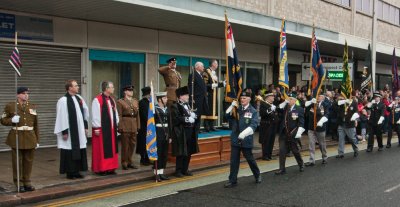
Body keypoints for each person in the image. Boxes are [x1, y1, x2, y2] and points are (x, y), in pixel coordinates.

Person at [1, 87, 39, 192]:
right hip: (16, 136)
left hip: (30, 137)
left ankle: (27, 182)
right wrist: (12, 120)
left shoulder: (32, 106)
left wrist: (37, 140)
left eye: (27, 93)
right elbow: (3, 120)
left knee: (28, 161)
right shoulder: (10, 106)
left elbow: (36, 124)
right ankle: (19, 183)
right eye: (23, 93)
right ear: (18, 95)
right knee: (17, 161)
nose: (26, 95)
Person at [224, 91, 261, 188]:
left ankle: (257, 175)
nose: (242, 99)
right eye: (241, 98)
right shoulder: (237, 109)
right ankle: (232, 180)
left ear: (249, 99)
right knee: (234, 161)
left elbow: (253, 126)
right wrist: (232, 106)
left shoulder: (253, 111)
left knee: (250, 159)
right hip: (236, 139)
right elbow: (227, 116)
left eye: (244, 98)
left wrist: (243, 134)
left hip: (246, 139)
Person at [54, 80, 89, 179]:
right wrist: (64, 131)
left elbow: (84, 113)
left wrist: (85, 126)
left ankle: (77, 171)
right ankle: (70, 172)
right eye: (76, 86)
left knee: (80, 149)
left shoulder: (79, 98)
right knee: (70, 151)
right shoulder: (63, 100)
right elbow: (61, 117)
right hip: (69, 131)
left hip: (79, 130)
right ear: (70, 88)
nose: (78, 87)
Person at [91, 81, 119, 176]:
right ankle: (102, 169)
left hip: (111, 129)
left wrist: (116, 123)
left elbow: (115, 113)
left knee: (112, 149)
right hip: (102, 129)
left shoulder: (112, 99)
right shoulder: (97, 100)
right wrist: (96, 127)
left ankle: (111, 168)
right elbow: (95, 114)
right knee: (102, 149)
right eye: (112, 87)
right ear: (106, 88)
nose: (113, 88)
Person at [170, 86, 199, 177]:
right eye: (186, 95)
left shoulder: (188, 105)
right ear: (180, 96)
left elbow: (189, 114)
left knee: (189, 151)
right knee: (181, 151)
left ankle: (185, 169)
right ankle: (178, 170)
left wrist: (193, 115)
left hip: (190, 130)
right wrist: (187, 119)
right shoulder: (175, 106)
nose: (188, 97)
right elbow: (176, 118)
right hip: (181, 131)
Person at [275, 93, 305, 175]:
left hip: (293, 133)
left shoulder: (299, 109)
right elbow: (278, 109)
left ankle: (301, 164)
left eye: (291, 99)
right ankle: (282, 169)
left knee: (295, 150)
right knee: (282, 151)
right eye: (288, 98)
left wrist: (298, 132)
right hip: (284, 133)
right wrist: (285, 102)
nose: (289, 100)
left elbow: (301, 123)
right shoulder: (285, 107)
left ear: (295, 101)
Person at [117, 85, 140, 170]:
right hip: (125, 124)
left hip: (133, 124)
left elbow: (138, 115)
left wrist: (138, 126)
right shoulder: (120, 102)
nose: (131, 92)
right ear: (125, 92)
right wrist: (120, 126)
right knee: (125, 145)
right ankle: (124, 162)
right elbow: (119, 115)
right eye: (129, 90)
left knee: (132, 144)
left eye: (132, 90)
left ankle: (130, 161)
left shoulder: (135, 101)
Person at [304, 94, 329, 166]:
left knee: (322, 144)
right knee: (311, 144)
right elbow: (305, 105)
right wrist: (311, 101)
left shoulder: (325, 105)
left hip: (320, 128)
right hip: (311, 127)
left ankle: (324, 157)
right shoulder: (313, 103)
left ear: (323, 98)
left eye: (320, 96)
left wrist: (321, 121)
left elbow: (327, 114)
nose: (318, 97)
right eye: (317, 95)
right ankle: (312, 160)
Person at [202, 59, 225, 132]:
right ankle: (206, 126)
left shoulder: (214, 73)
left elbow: (216, 84)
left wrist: (222, 83)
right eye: (216, 63)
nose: (217, 65)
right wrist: (214, 84)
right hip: (208, 94)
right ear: (212, 64)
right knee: (208, 110)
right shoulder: (206, 72)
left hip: (214, 94)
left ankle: (212, 126)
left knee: (213, 110)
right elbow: (204, 84)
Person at [336, 94, 359, 158]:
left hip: (349, 124)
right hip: (341, 124)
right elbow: (336, 104)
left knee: (352, 138)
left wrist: (355, 118)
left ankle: (356, 150)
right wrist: (344, 101)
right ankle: (341, 153)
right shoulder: (343, 102)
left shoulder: (354, 103)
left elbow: (357, 111)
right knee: (341, 139)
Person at [154, 91, 170, 181]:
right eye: (164, 98)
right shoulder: (155, 109)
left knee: (164, 153)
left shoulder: (166, 109)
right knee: (158, 153)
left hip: (166, 132)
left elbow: (169, 123)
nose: (166, 99)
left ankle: (161, 173)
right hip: (158, 132)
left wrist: (170, 136)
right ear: (159, 99)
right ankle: (156, 173)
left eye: (166, 98)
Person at [188, 61, 208, 136]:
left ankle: (197, 129)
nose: (203, 67)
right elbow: (190, 87)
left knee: (199, 115)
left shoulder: (201, 75)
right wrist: (191, 98)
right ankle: (194, 130)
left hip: (201, 99)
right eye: (202, 66)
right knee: (195, 115)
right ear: (197, 67)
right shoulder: (192, 75)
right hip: (195, 99)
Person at [258, 92, 278, 161]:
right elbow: (262, 113)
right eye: (272, 96)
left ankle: (269, 154)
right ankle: (265, 155)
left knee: (271, 140)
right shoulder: (263, 104)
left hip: (273, 125)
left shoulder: (272, 104)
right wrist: (270, 109)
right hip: (266, 125)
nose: (273, 97)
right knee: (266, 140)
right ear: (268, 97)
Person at [137, 86, 151, 165]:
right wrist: (149, 121)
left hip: (149, 126)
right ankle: (143, 159)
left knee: (149, 142)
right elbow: (143, 115)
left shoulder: (149, 102)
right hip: (143, 126)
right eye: (149, 94)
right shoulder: (142, 102)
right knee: (143, 143)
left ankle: (148, 158)